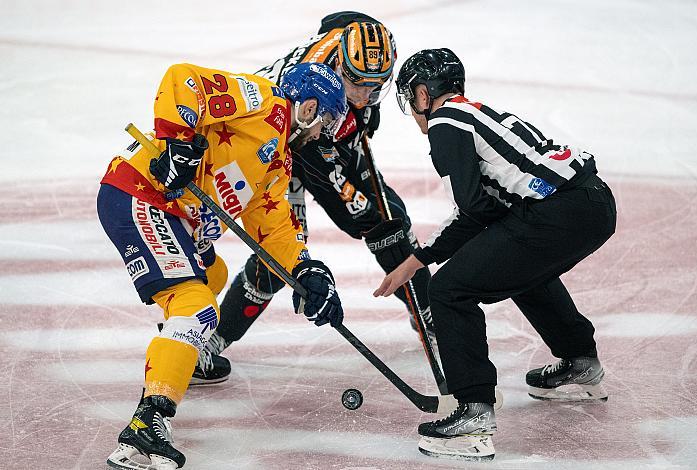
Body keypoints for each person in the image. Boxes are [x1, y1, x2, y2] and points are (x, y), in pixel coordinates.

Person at [98, 61, 347, 469]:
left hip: (171, 211)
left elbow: (273, 223)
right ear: (308, 107)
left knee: (214, 275)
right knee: (197, 308)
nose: (324, 133)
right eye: (327, 120)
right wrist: (178, 142)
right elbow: (184, 79)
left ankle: (183, 356)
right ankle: (147, 425)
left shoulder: (278, 159)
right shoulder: (264, 101)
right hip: (141, 193)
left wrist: (305, 268)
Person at [374, 48, 617, 461]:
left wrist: (424, 260)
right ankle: (581, 360)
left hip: (556, 213)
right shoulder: (476, 113)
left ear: (422, 93)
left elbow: (472, 210)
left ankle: (473, 413)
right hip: (594, 203)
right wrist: (418, 258)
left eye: (411, 97)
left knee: (449, 289)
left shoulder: (445, 122)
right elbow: (484, 211)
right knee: (519, 270)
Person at [194, 11, 435, 384]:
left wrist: (362, 113)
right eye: (357, 85)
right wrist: (368, 216)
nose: (366, 95)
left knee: (386, 218)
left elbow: (338, 19)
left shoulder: (352, 45)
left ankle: (430, 316)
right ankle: (205, 343)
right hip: (278, 147)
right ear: (339, 64)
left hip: (313, 129)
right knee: (292, 253)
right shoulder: (314, 92)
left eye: (377, 86)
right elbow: (337, 189)